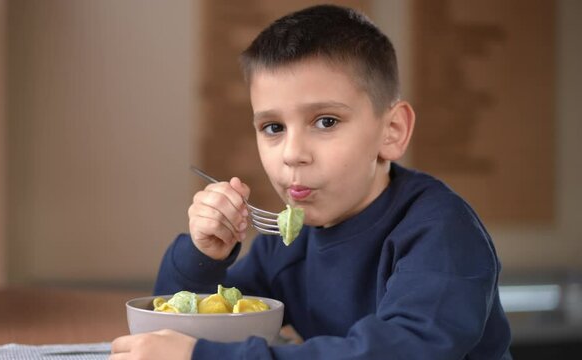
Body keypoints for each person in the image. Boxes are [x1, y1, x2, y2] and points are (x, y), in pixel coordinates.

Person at [110, 4, 512, 359]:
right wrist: (203, 257)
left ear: (391, 131)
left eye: (325, 121)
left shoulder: (442, 232)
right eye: (272, 127)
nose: (291, 153)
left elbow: (404, 348)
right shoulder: (285, 243)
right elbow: (173, 332)